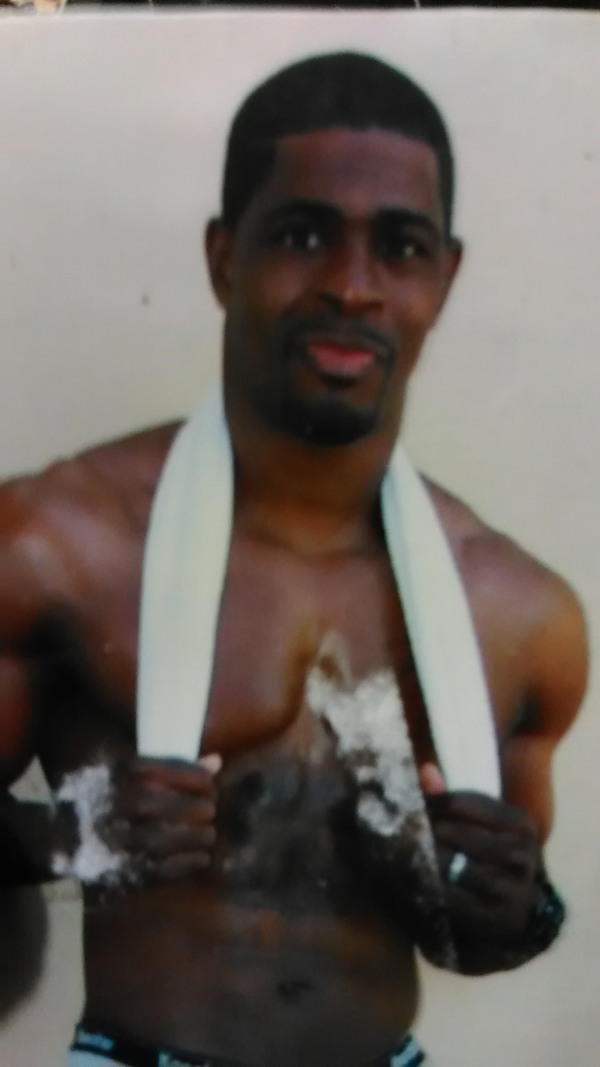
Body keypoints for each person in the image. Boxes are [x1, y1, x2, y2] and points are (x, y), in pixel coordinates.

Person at [0, 52, 588, 1067]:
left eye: (400, 247)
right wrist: (71, 834)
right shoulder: (60, 544)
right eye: (304, 234)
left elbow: (482, 937)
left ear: (444, 278)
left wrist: (518, 903)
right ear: (224, 257)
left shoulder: (519, 614)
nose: (352, 286)